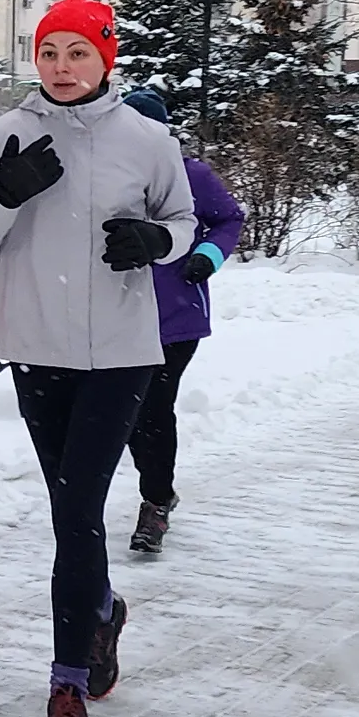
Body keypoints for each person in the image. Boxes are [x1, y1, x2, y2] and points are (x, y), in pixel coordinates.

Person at [0, 0, 196, 717]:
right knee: (71, 513)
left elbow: (184, 222)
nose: (61, 67)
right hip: (36, 346)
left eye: (77, 52)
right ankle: (102, 610)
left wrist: (155, 241)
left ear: (105, 58)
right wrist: (6, 194)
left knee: (78, 508)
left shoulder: (147, 140)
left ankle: (67, 689)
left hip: (122, 352)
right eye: (49, 52)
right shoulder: (6, 135)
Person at [116, 88, 246, 556]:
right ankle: (158, 490)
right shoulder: (106, 177)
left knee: (151, 409)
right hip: (115, 313)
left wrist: (207, 256)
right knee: (124, 413)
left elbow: (228, 219)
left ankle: (154, 503)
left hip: (175, 316)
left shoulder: (191, 175)